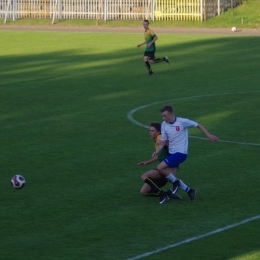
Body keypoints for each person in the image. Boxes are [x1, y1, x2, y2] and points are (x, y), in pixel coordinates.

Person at [152, 106, 219, 203]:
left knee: (160, 167)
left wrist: (208, 135)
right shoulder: (164, 124)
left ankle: (177, 184)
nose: (163, 118)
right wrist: (157, 151)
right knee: (171, 177)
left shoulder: (182, 122)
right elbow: (163, 141)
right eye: (163, 116)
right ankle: (190, 191)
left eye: (165, 116)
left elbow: (197, 125)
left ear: (171, 114)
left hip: (181, 153)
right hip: (172, 153)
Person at [138, 122, 182, 204]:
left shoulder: (160, 138)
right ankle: (167, 194)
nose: (150, 132)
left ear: (158, 132)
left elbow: (167, 145)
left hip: (164, 169)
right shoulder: (157, 141)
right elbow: (157, 157)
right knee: (143, 192)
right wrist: (146, 162)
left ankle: (163, 195)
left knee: (144, 176)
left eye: (152, 131)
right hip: (161, 170)